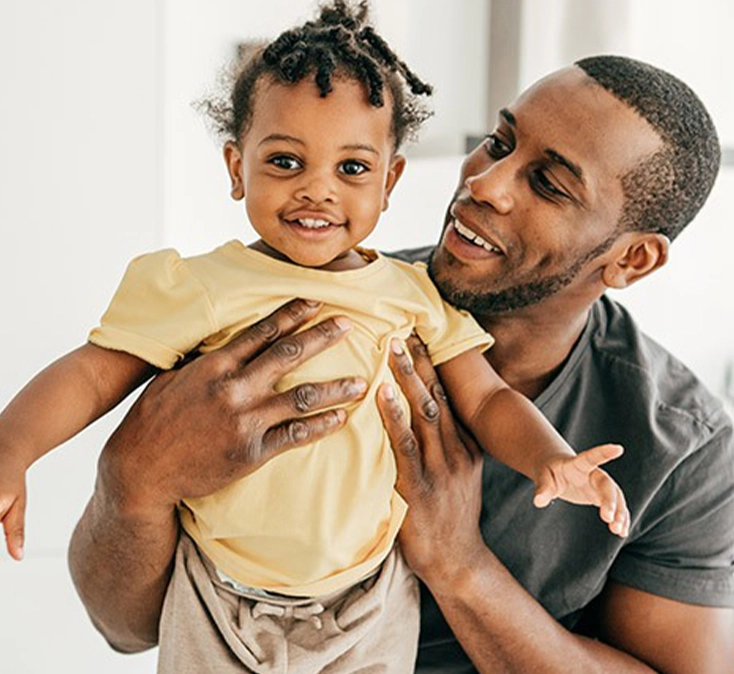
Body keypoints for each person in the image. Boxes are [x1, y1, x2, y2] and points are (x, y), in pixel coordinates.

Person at [0, 2, 631, 672]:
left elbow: (488, 401)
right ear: (236, 166)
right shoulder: (201, 286)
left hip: (369, 599)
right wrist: (12, 447)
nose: (317, 191)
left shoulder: (413, 296)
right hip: (217, 592)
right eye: (285, 161)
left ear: (389, 181)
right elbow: (95, 373)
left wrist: (550, 458)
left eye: (351, 169)